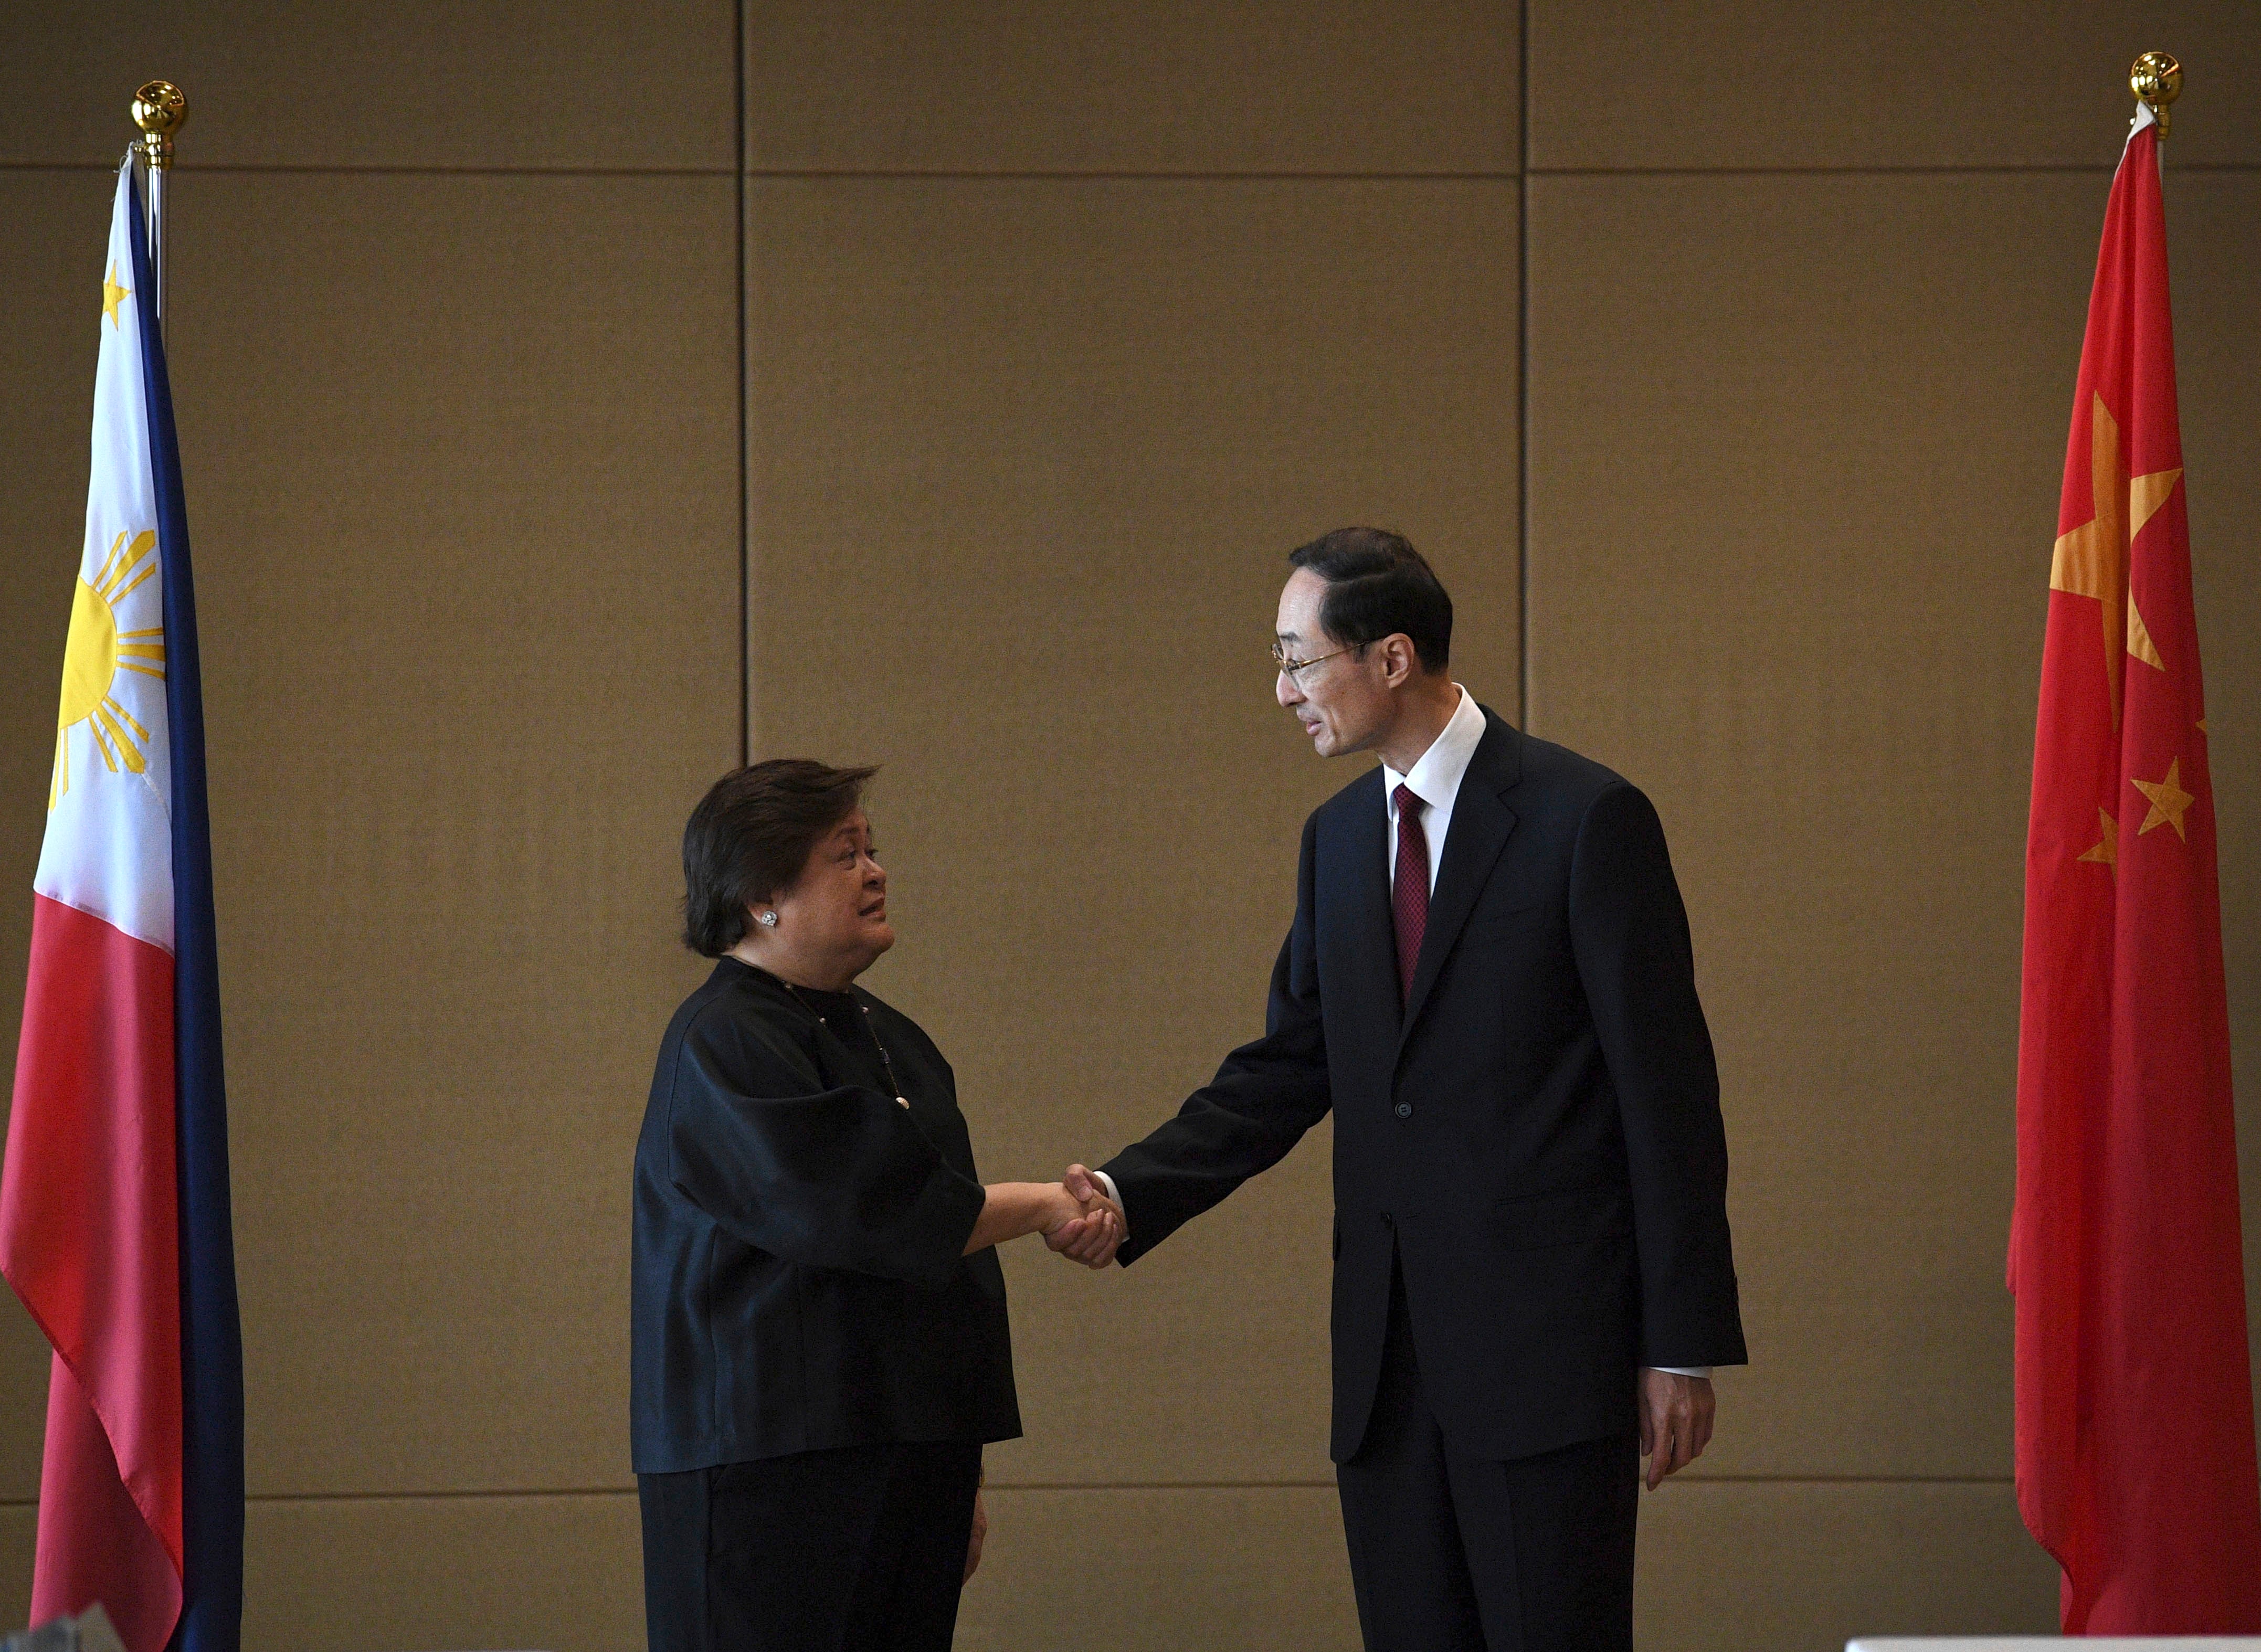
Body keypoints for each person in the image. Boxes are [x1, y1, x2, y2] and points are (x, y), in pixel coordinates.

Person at [1068, 528, 1746, 1652]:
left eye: (1298, 658)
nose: (1280, 689)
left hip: (1546, 1357)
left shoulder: (1585, 818)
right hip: (1386, 1368)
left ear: (1390, 657)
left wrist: (1680, 1343)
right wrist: (1129, 1190)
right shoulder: (1336, 839)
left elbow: (1667, 1095)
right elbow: (1291, 1064)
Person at [631, 759, 1122, 1652]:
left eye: (873, 848)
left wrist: (958, 1460)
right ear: (760, 895)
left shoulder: (892, 1035)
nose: (875, 870)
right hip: (771, 1474)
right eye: (843, 853)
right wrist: (1050, 1205)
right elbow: (879, 1214)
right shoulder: (725, 1042)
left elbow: (941, 1267)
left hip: (906, 1456)